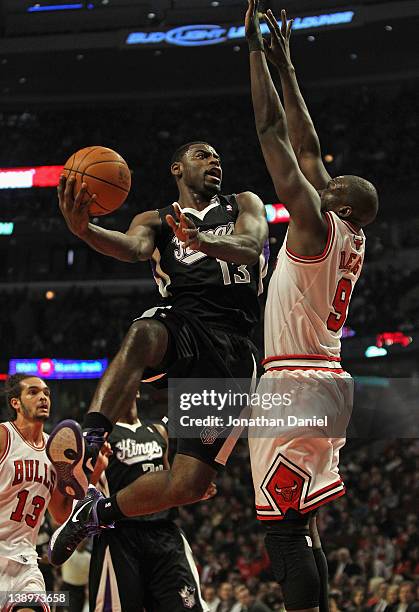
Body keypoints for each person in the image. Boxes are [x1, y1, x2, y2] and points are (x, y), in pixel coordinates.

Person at [47, 140, 268, 565]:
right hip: (184, 326)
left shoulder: (243, 203)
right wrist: (85, 231)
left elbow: (250, 246)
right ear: (177, 169)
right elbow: (131, 248)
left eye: (218, 157)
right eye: (202, 156)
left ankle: (95, 513)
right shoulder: (157, 219)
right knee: (144, 333)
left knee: (188, 484)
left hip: (233, 349)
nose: (214, 161)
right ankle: (89, 446)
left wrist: (201, 240)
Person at [245, 3, 378, 612]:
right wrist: (287, 66)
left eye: (332, 182)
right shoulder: (349, 234)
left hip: (294, 380)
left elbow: (276, 137)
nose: (324, 178)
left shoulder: (313, 223)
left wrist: (254, 56)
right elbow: (308, 142)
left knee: (284, 532)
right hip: (328, 382)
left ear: (338, 201)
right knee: (306, 526)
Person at [88, 393, 209, 611]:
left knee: (187, 606)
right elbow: (84, 488)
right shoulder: (100, 437)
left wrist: (194, 489)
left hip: (164, 532)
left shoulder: (158, 431)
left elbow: (170, 479)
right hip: (120, 534)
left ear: (136, 390)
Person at [0, 374, 73, 612]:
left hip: (26, 562)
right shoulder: (4, 436)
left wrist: (78, 479)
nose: (43, 397)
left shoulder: (55, 450)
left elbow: (60, 515)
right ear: (15, 403)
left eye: (46, 393)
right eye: (33, 392)